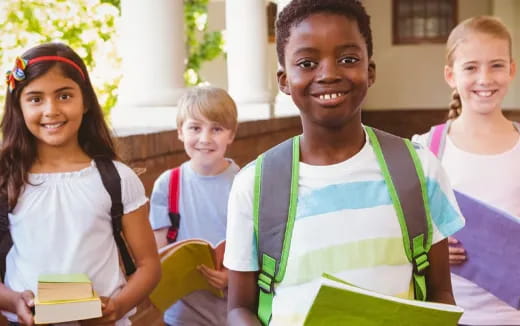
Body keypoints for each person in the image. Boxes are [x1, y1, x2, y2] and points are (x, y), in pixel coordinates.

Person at [223, 0, 466, 325]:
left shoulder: (419, 169)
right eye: (307, 62)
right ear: (283, 80)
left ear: (370, 71)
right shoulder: (255, 185)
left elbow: (440, 296)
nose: (329, 74)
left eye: (348, 59)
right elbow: (239, 308)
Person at [0, 42, 161, 326]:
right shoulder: (6, 180)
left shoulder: (117, 178)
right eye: (35, 99)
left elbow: (149, 266)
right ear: (19, 107)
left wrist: (119, 306)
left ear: (85, 101)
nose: (51, 110)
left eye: (64, 96)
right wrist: (14, 301)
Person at [413, 16, 520, 325]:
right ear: (451, 75)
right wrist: (430, 250)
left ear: (512, 69)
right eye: (471, 67)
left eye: (496, 65)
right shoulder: (427, 148)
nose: (484, 78)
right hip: (450, 313)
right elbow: (404, 231)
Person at [149, 86, 239, 326]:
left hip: (234, 312)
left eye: (217, 129)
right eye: (195, 128)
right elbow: (160, 253)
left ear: (231, 134)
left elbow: (260, 246)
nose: (205, 139)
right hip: (181, 315)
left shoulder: (246, 183)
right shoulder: (167, 185)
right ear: (180, 131)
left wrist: (232, 276)